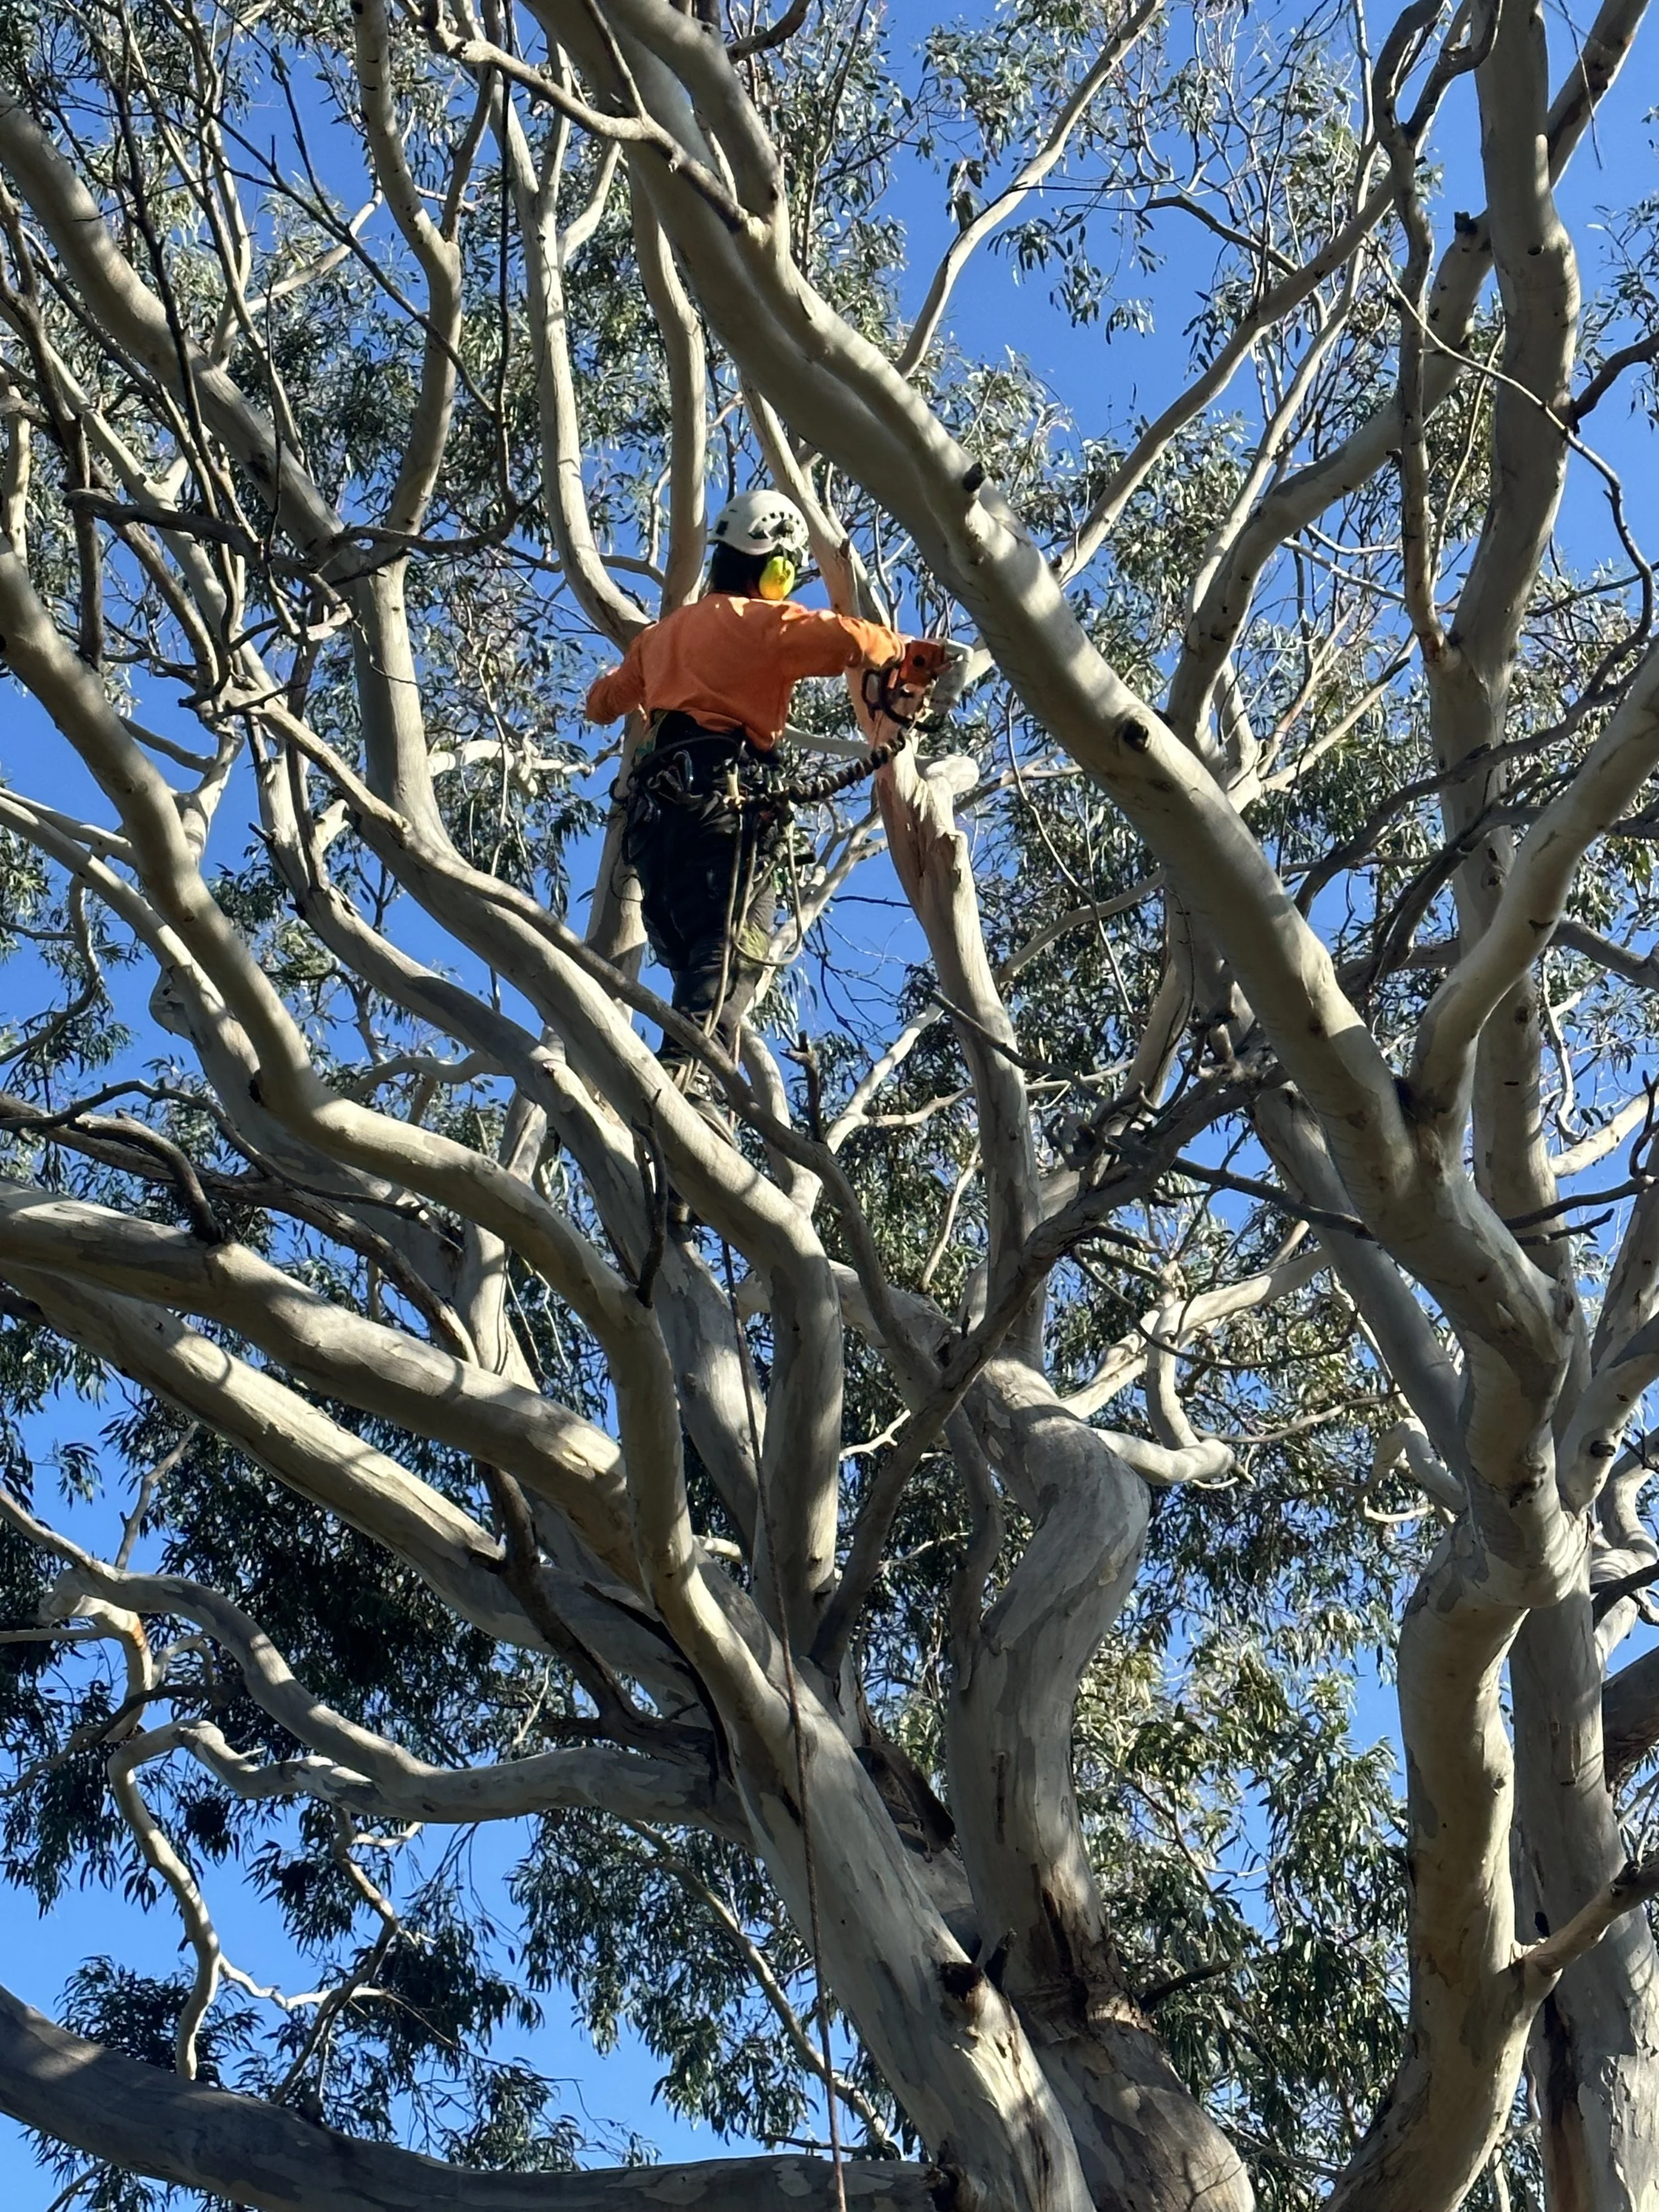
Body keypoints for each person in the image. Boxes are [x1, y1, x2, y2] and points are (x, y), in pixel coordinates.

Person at [585, 488, 948, 1083]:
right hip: (720, 813)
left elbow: (606, 702)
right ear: (777, 567)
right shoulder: (766, 624)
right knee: (734, 948)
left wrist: (606, 690)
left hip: (655, 835)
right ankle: (687, 1081)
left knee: (705, 963)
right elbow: (850, 640)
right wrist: (910, 654)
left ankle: (694, 1104)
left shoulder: (660, 638)